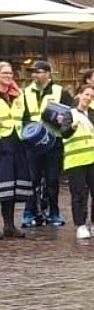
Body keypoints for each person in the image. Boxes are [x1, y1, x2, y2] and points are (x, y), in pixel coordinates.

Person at [21, 60, 71, 228]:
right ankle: (29, 212)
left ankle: (54, 212)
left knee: (52, 180)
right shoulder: (25, 92)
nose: (34, 75)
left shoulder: (60, 91)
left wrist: (63, 121)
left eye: (38, 71)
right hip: (32, 143)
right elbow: (21, 116)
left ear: (48, 73)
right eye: (33, 72)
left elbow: (71, 114)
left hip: (53, 143)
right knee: (32, 179)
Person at [62, 84, 94, 240]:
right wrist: (71, 127)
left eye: (91, 96)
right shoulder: (68, 114)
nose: (88, 98)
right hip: (75, 160)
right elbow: (63, 133)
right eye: (86, 94)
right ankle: (80, 225)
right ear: (79, 95)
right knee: (78, 195)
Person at [0, 61, 32, 239]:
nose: (8, 76)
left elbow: (25, 117)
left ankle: (9, 226)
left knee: (10, 188)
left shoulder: (19, 94)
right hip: (1, 144)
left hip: (16, 144)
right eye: (4, 73)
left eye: (10, 73)